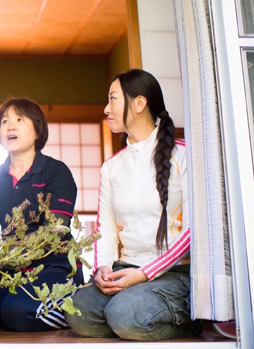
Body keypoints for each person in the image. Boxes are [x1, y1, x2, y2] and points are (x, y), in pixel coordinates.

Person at [65, 69, 203, 340]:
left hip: (173, 272)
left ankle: (185, 320)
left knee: (124, 314)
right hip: (125, 268)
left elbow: (192, 230)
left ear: (139, 104)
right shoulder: (112, 167)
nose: (106, 108)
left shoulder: (184, 155)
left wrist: (143, 274)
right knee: (76, 311)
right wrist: (103, 267)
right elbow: (106, 231)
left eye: (113, 99)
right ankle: (135, 319)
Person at [0, 97, 83, 332]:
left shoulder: (56, 172)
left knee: (17, 311)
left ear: (37, 131)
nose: (10, 126)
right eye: (5, 121)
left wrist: (12, 254)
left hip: (55, 267)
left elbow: (53, 235)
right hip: (11, 271)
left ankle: (74, 305)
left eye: (19, 119)